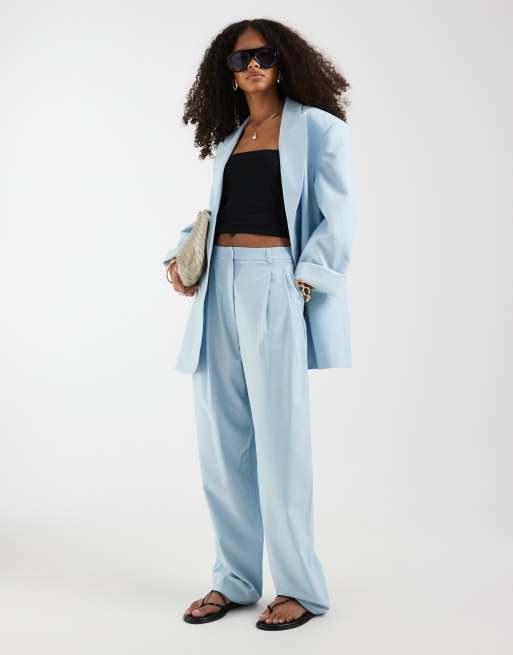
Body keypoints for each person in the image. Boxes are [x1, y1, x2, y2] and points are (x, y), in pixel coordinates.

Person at [162, 18, 355, 631]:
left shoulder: (318, 129)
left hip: (275, 282)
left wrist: (304, 283)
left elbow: (337, 216)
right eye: (240, 58)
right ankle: (235, 580)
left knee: (281, 441)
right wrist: (181, 256)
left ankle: (299, 587)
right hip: (217, 285)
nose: (252, 66)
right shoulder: (230, 138)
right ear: (226, 71)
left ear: (283, 62)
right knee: (222, 443)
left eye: (264, 55)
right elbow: (219, 212)